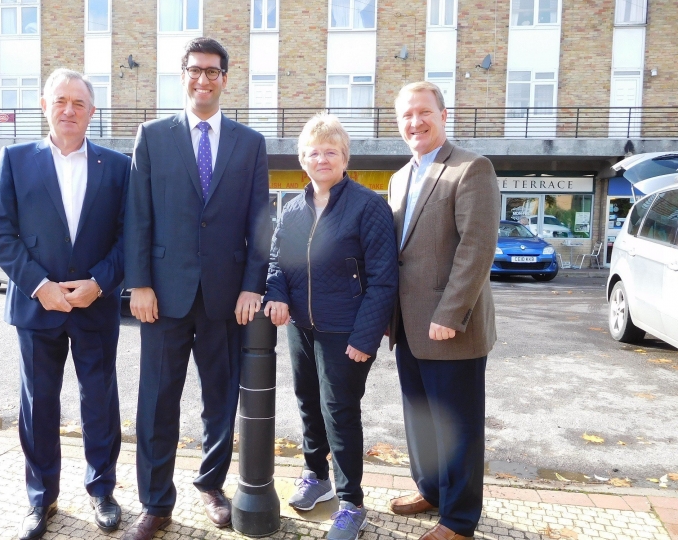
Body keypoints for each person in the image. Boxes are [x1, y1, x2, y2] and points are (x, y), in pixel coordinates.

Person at [123, 37, 270, 540]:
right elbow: (138, 217)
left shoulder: (249, 144)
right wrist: (138, 283)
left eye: (213, 71)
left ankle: (210, 483)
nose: (203, 79)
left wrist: (253, 286)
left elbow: (260, 223)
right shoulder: (152, 136)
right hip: (162, 297)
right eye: (195, 70)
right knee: (157, 401)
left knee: (220, 400)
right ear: (182, 75)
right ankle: (156, 501)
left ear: (226, 78)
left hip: (226, 298)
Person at [0, 68, 129, 540]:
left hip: (95, 307)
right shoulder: (14, 159)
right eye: (61, 101)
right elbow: (0, 234)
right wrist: (38, 285)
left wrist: (100, 283)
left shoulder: (117, 166)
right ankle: (40, 499)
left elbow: (130, 238)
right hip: (37, 308)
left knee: (99, 402)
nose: (69, 110)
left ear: (92, 112)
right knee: (39, 404)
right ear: (45, 106)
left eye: (79, 103)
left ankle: (102, 490)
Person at [263, 114, 397, 540]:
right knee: (307, 401)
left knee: (339, 411)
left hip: (346, 331)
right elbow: (277, 262)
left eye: (330, 151)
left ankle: (352, 503)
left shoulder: (368, 205)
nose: (322, 158)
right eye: (314, 152)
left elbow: (384, 278)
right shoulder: (294, 208)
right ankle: (315, 475)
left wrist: (365, 337)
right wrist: (278, 294)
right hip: (301, 327)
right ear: (303, 159)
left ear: (345, 158)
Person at [386, 81, 499, 540]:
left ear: (443, 115)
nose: (415, 122)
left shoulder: (471, 169)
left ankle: (458, 519)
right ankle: (431, 490)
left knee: (458, 425)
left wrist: (450, 314)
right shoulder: (398, 178)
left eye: (423, 112)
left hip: (451, 327)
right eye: (406, 116)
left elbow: (477, 248)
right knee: (420, 418)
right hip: (407, 326)